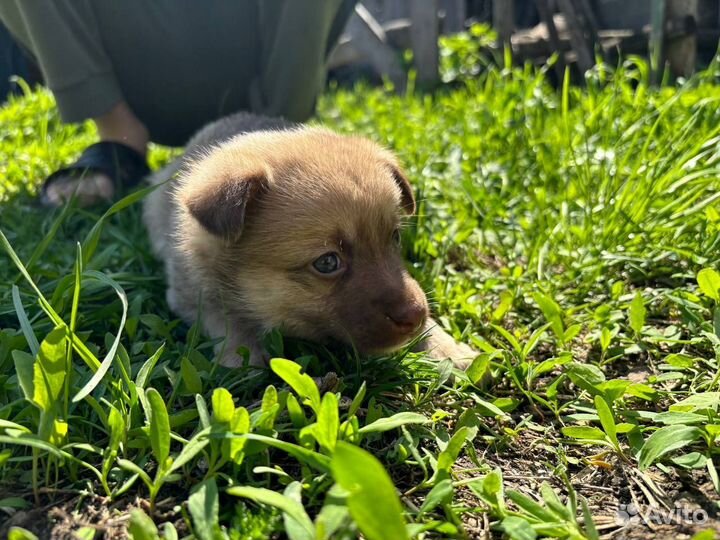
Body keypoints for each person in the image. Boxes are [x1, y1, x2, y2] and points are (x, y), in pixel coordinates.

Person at [0, 1, 356, 207]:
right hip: (129, 55)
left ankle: (278, 131)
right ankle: (118, 136)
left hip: (253, 57)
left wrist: (280, 121)